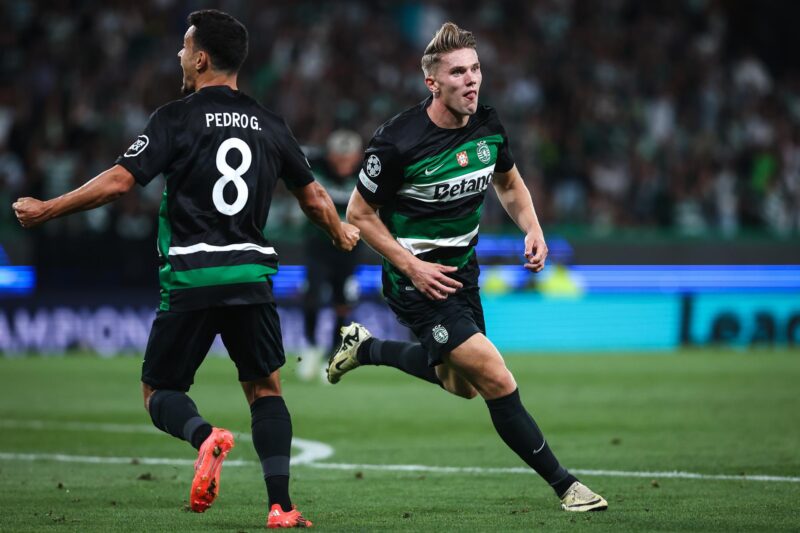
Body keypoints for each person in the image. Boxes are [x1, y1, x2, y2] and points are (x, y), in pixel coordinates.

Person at [14, 9, 359, 528]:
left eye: (184, 46)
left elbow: (120, 182)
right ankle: (282, 507)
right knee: (265, 390)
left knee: (158, 393)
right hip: (249, 277)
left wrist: (47, 209)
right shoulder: (270, 123)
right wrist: (339, 232)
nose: (179, 55)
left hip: (191, 277)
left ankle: (205, 437)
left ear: (201, 59)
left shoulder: (175, 118)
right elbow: (312, 197)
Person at [327, 22, 607, 513]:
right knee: (496, 377)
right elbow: (359, 215)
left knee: (462, 386)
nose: (471, 79)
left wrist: (533, 228)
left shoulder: (488, 128)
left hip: (463, 273)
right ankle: (566, 486)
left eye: (475, 69)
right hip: (417, 284)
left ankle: (366, 348)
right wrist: (412, 268)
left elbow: (510, 184)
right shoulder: (397, 142)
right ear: (432, 83)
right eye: (458, 72)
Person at [298, 129, 363, 381]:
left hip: (350, 249)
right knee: (312, 296)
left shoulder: (368, 172)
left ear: (357, 156)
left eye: (348, 158)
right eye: (339, 157)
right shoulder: (316, 165)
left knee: (343, 303)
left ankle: (332, 355)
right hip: (319, 246)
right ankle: (310, 345)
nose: (343, 163)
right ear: (330, 155)